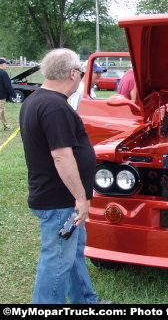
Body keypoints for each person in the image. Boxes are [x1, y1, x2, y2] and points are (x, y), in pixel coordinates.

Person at [19, 48, 110, 304]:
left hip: (58, 196)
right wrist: (80, 198)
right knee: (57, 260)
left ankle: (85, 300)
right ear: (72, 73)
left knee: (73, 254)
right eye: (81, 72)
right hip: (60, 199)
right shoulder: (54, 107)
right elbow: (61, 156)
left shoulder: (36, 100)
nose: (81, 77)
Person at [0, 58, 14, 130]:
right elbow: (8, 84)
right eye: (5, 64)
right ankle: (6, 126)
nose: (6, 65)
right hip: (1, 96)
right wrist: (13, 93)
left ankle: (6, 125)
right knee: (1, 110)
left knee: (2, 110)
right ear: (2, 64)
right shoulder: (3, 73)